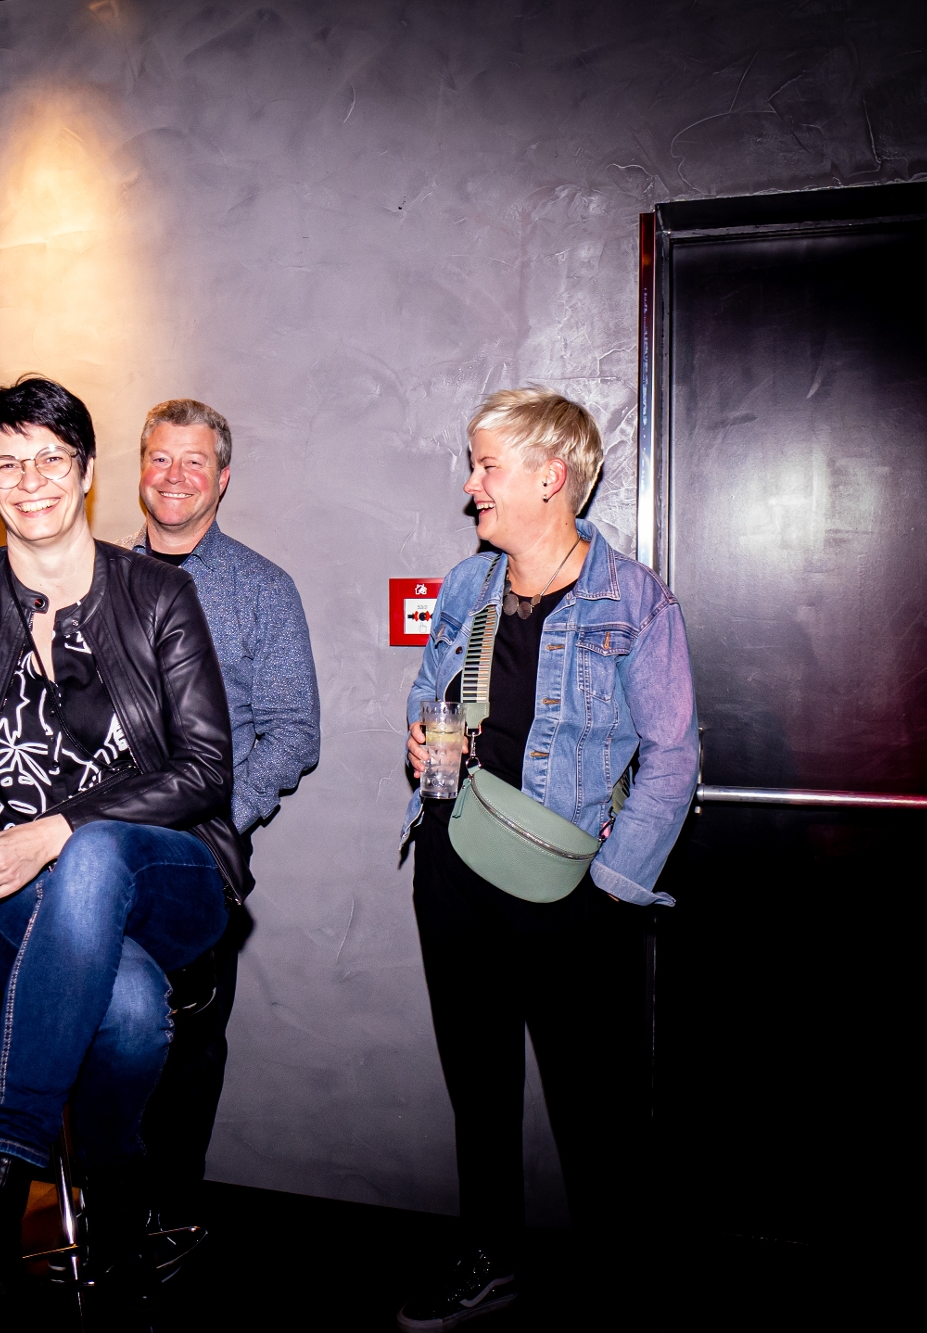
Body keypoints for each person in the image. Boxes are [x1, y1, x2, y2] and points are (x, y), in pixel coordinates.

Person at [0, 376, 250, 1302]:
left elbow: (208, 769)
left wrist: (53, 830)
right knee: (129, 1011)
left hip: (166, 873)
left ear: (86, 471)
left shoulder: (158, 592)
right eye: (8, 464)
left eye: (51, 458)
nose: (31, 480)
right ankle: (119, 1207)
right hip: (10, 893)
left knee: (93, 849)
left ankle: (4, 1157)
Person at [396, 388, 697, 1331]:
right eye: (474, 464)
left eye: (487, 466)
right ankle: (489, 1260)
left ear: (549, 478)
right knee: (478, 1087)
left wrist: (608, 894)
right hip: (456, 864)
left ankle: (615, 1291)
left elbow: (674, 759)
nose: (471, 485)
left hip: (574, 889)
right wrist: (424, 741)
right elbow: (428, 693)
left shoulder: (633, 601)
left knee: (594, 1110)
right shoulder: (468, 585)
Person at [125, 397, 320, 1244]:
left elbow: (295, 730)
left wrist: (214, 822)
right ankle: (109, 1217)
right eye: (160, 458)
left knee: (189, 1045)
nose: (175, 476)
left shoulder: (261, 589)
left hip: (198, 861)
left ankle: (171, 1219)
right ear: (140, 470)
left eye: (194, 461)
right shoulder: (94, 581)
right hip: (93, 854)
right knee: (103, 1037)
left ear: (223, 477)